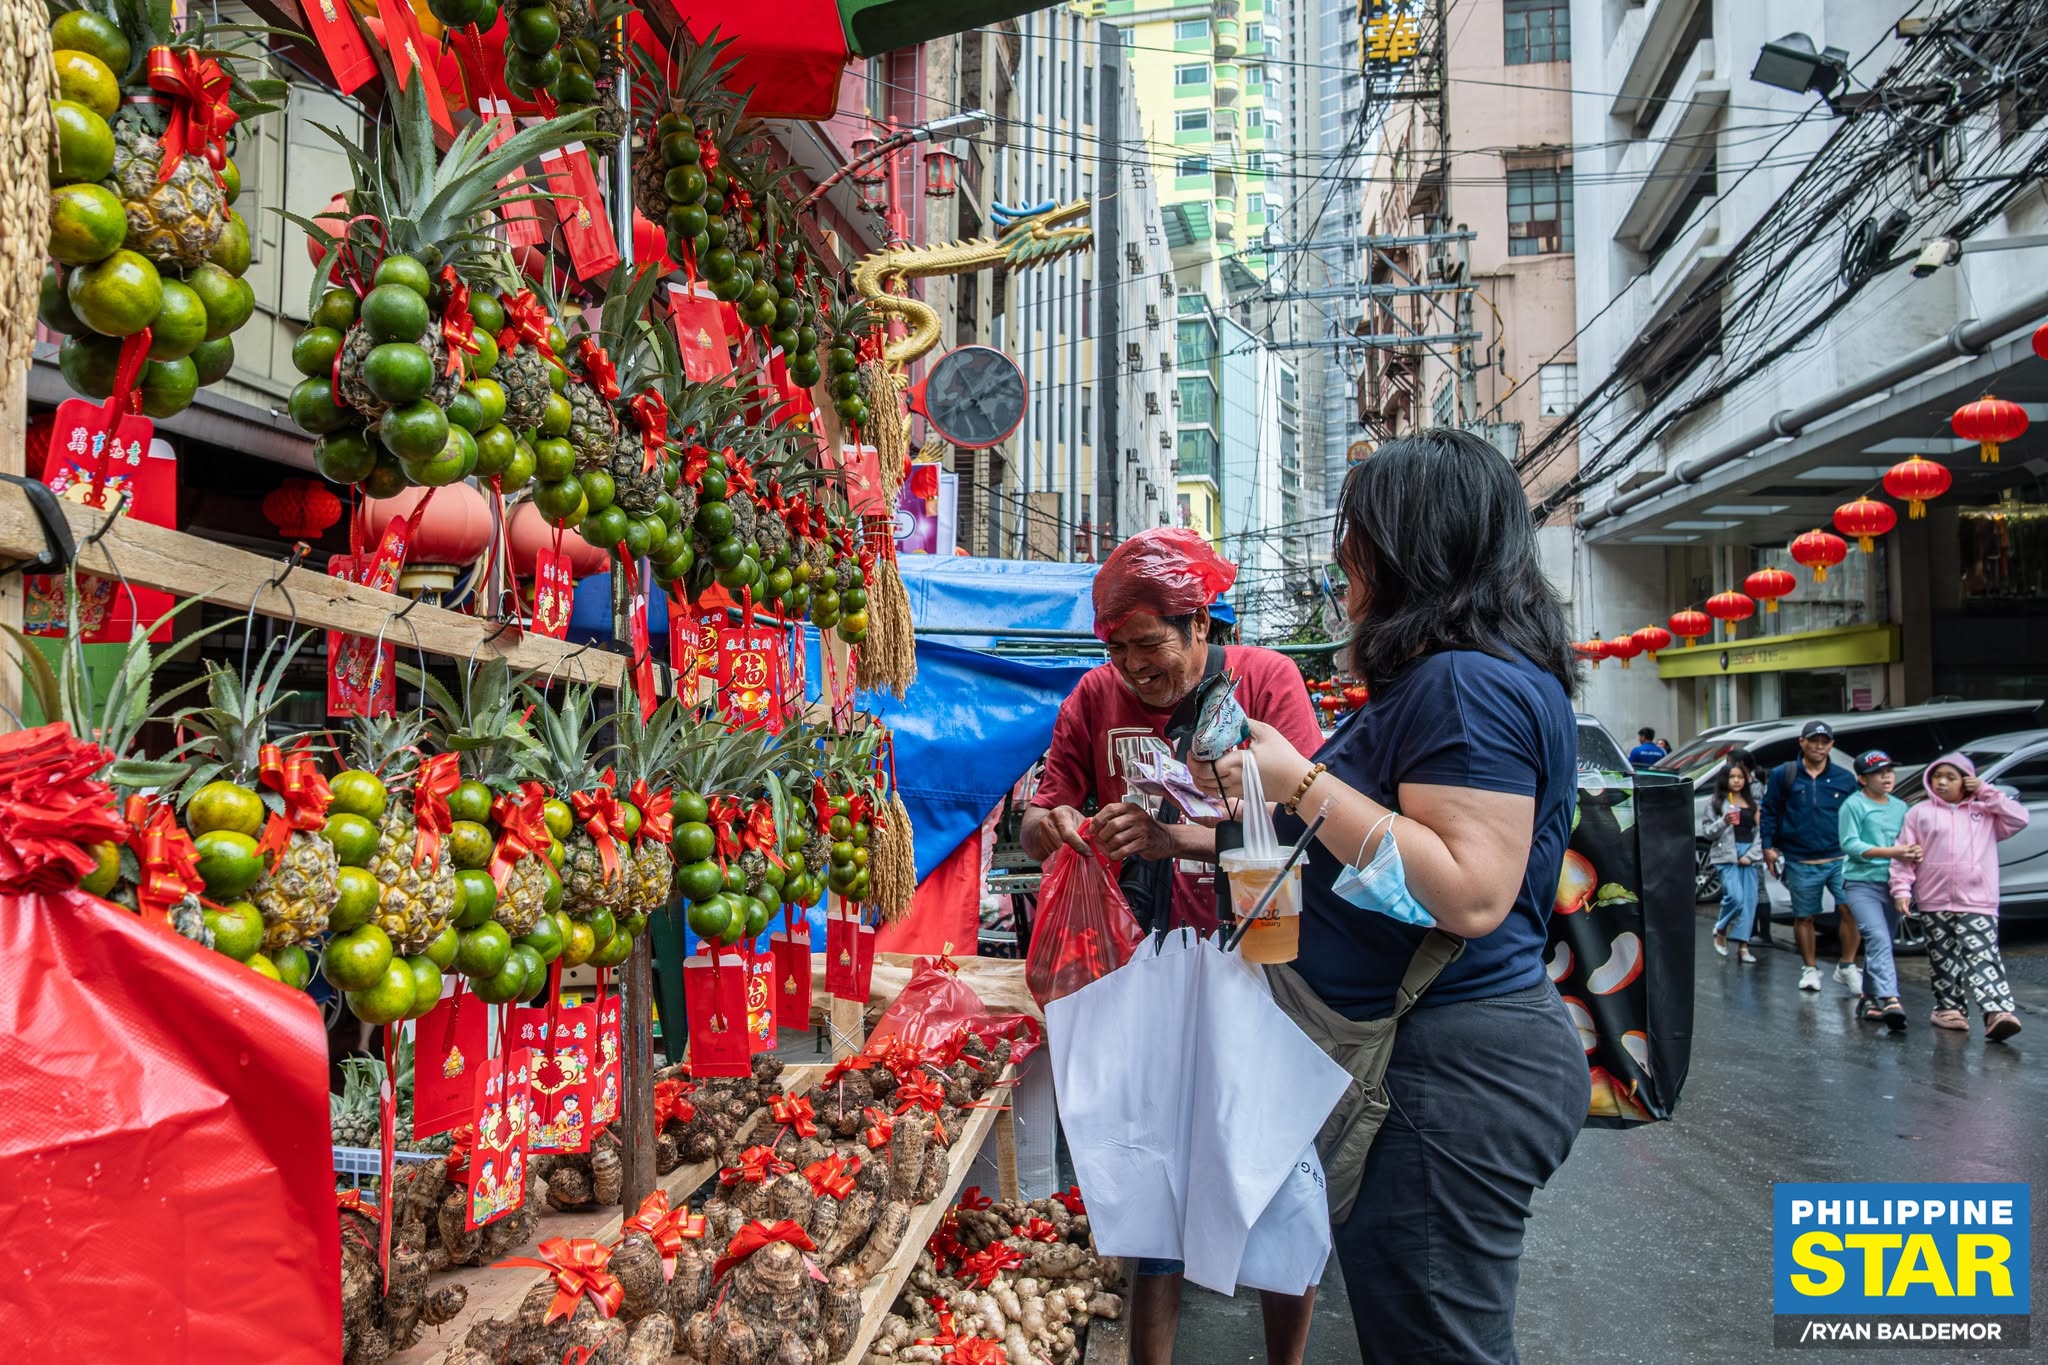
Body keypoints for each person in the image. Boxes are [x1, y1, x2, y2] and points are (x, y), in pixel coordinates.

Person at [1197, 430, 1589, 1364]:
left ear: (1415, 545)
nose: (1344, 560)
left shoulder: (1464, 685)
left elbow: (1470, 889)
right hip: (1441, 1054)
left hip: (1452, 1065)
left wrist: (1298, 780)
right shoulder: (1460, 678)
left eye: (1359, 535)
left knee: (1437, 1344)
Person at [1020, 526, 1323, 1365]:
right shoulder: (1092, 699)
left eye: (1148, 645)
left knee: (1271, 1176)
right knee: (1149, 1191)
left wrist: (1172, 838)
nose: (1133, 667)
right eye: (1117, 648)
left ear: (1199, 624)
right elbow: (1037, 817)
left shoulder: (1267, 683)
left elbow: (1305, 828)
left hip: (1261, 969)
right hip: (1143, 977)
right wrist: (1065, 825)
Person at [1890, 754, 2030, 1040]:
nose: (1941, 782)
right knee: (1943, 958)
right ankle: (1948, 1009)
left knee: (1982, 955)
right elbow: (1905, 855)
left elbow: (2020, 818)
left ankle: (1997, 1012)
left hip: (1978, 898)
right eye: (1937, 776)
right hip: (1933, 898)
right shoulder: (1920, 813)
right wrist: (1901, 889)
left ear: (1966, 781)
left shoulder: (1985, 812)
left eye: (1950, 777)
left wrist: (1985, 791)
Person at [1759, 721, 1862, 994]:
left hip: (1840, 857)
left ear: (1831, 744)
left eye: (1824, 741)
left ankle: (1848, 965)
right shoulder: (1785, 774)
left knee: (1850, 909)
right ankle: (1810, 968)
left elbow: (1857, 815)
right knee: (1805, 916)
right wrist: (1768, 845)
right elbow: (1769, 810)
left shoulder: (1844, 778)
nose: (1819, 746)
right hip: (1800, 859)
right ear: (1802, 742)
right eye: (1813, 740)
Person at [1837, 750, 1917, 1031]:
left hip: (1894, 884)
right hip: (1861, 883)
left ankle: (1868, 997)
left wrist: (1911, 852)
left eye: (1889, 771)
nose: (1886, 777)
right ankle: (1890, 999)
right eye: (1878, 773)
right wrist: (1892, 851)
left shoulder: (1900, 807)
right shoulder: (1853, 805)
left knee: (1880, 941)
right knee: (1877, 935)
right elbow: (1850, 844)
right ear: (1861, 778)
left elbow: (1909, 841)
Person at [1703, 764, 1761, 962]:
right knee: (1735, 897)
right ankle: (1720, 928)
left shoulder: (1752, 803)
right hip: (1725, 854)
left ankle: (1743, 948)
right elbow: (1708, 832)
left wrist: (1752, 855)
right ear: (1724, 779)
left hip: (1748, 854)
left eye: (1740, 777)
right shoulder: (1715, 803)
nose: (1736, 781)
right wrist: (1724, 821)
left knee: (1749, 902)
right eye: (1732, 777)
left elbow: (1762, 832)